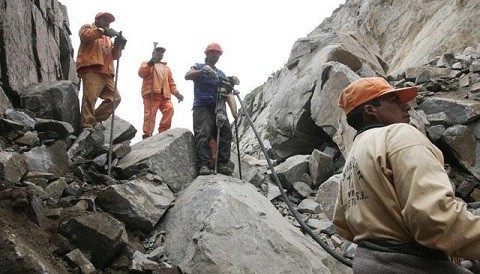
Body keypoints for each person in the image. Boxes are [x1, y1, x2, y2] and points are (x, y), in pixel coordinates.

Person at [333, 76, 480, 273]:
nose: (407, 106)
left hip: (369, 264)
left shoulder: (354, 155)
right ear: (371, 111)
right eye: (395, 101)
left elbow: (342, 223)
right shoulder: (399, 135)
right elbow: (433, 220)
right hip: (410, 264)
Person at [185, 43, 238, 176]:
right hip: (202, 106)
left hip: (218, 107)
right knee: (203, 133)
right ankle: (204, 164)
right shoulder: (199, 66)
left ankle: (222, 164)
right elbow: (188, 75)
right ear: (207, 54)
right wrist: (203, 71)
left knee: (226, 133)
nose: (215, 56)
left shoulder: (220, 73)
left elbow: (227, 91)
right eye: (213, 53)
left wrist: (230, 81)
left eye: (217, 54)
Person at [76, 12, 127, 133]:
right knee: (90, 97)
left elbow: (115, 56)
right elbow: (86, 35)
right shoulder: (88, 28)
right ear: (97, 20)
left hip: (107, 73)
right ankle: (86, 125)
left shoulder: (108, 39)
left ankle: (93, 119)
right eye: (105, 20)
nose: (107, 23)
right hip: (92, 70)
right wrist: (102, 31)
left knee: (115, 98)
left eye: (109, 21)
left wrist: (119, 45)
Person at [138, 46, 184, 139]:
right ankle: (147, 134)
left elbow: (171, 83)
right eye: (158, 52)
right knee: (150, 114)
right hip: (151, 94)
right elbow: (141, 73)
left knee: (169, 109)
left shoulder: (167, 68)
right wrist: (150, 64)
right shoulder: (146, 63)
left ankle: (163, 130)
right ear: (153, 53)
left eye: (161, 53)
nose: (160, 54)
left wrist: (177, 94)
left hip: (165, 95)